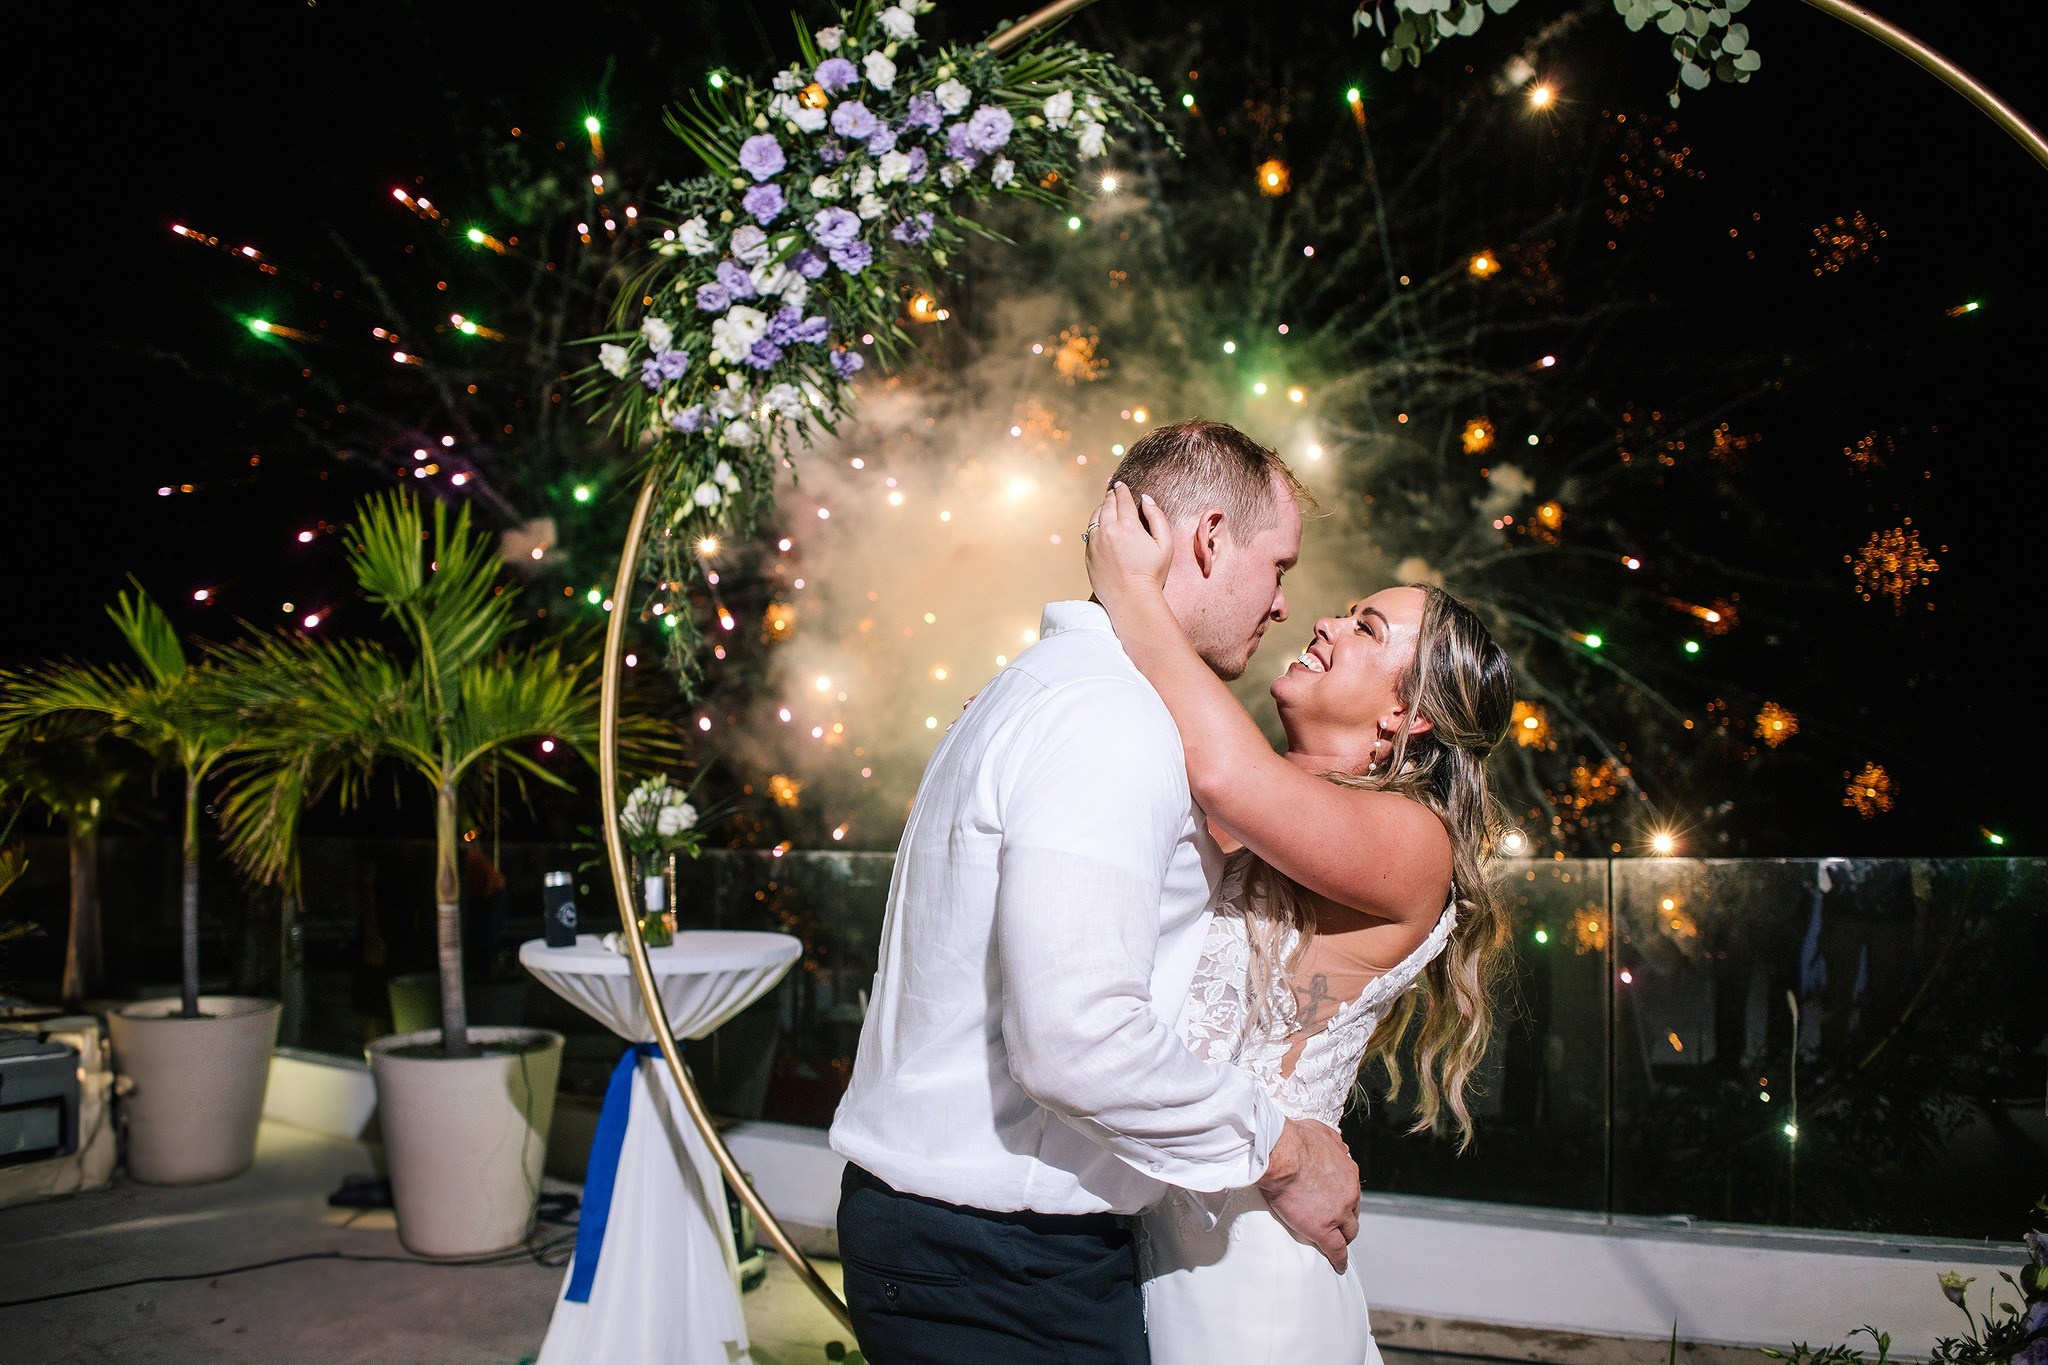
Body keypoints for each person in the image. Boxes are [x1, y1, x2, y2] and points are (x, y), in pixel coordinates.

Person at [829, 421, 1362, 1363]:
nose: (1284, 604)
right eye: (1278, 566)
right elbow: (1075, 1040)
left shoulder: (1047, 686)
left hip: (964, 1245)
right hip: (997, 1262)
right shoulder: (1109, 717)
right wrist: (1284, 1151)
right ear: (1209, 539)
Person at [1084, 477, 1517, 1363]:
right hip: (1143, 1239)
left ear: (1406, 714)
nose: (1326, 622)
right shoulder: (1245, 790)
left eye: (1367, 629)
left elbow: (1226, 775)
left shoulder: (1415, 842)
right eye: (1348, 612)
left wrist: (1133, 591)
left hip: (1249, 1266)